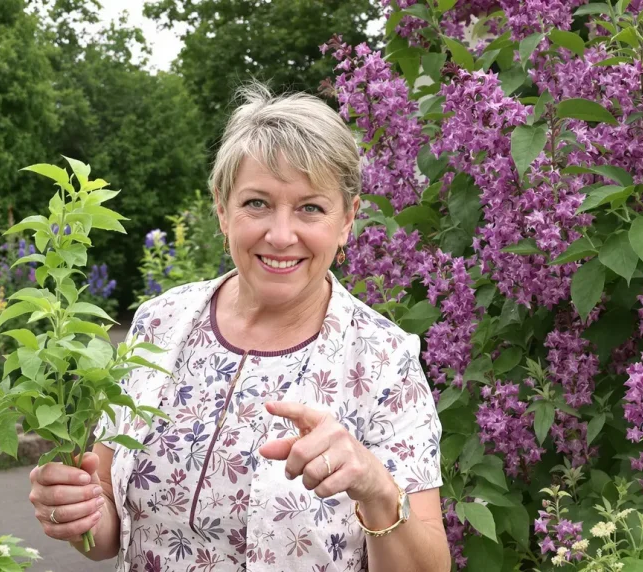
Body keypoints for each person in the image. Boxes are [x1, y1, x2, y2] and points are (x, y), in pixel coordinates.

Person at [27, 84, 450, 572]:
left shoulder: (382, 361)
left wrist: (376, 489)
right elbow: (109, 529)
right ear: (222, 209)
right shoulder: (159, 323)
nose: (281, 234)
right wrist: (75, 509)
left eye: (311, 207)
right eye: (257, 203)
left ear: (347, 221)